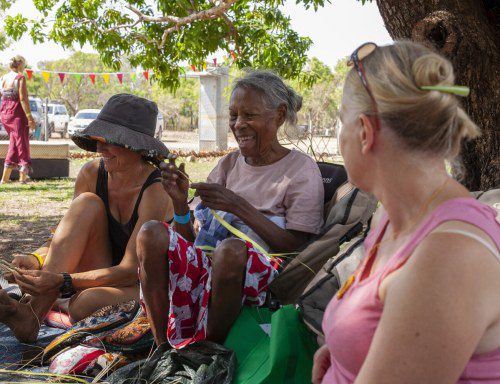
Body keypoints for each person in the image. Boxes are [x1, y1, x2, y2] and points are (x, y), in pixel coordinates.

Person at [312, 40, 500, 384]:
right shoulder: (391, 217)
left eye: (342, 122)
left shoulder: (450, 257)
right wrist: (343, 351)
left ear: (365, 132)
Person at [137, 70, 325, 348]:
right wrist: (179, 203)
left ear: (279, 115)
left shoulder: (300, 169)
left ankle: (209, 351)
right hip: (209, 264)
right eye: (234, 115)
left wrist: (237, 205)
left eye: (249, 116)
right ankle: (162, 346)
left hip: (264, 273)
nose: (238, 124)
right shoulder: (229, 165)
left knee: (231, 250)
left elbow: (297, 248)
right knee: (151, 232)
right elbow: (192, 242)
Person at [0, 93, 173, 343]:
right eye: (97, 139)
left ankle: (45, 304)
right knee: (86, 203)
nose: (99, 148)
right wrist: (37, 259)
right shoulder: (92, 173)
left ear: (136, 145)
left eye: (109, 141)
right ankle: (32, 315)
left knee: (83, 305)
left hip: (143, 283)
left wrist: (62, 281)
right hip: (99, 274)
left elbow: (129, 270)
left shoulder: (156, 190)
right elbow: (67, 233)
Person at [0, 55, 36, 183]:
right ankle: (23, 175)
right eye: (24, 64)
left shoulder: (3, 78)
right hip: (17, 115)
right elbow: (22, 99)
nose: (25, 67)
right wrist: (30, 117)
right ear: (20, 64)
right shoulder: (20, 77)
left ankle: (5, 178)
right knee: (23, 143)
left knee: (14, 143)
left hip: (5, 115)